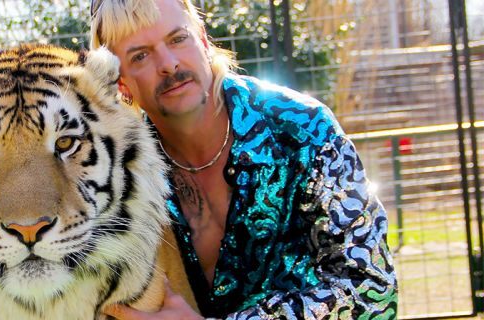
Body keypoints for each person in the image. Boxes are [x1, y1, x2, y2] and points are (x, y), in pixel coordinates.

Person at [90, 0, 398, 319]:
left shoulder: (305, 129)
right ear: (121, 84)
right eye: (140, 55)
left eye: (178, 39)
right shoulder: (122, 178)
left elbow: (373, 290)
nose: (168, 63)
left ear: (204, 41)